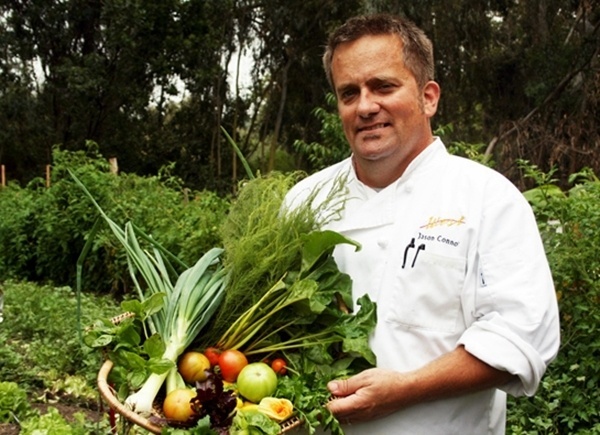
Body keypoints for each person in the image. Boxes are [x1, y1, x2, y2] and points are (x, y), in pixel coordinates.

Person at [284, 13, 560, 434]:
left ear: (428, 97)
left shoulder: (487, 197)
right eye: (348, 93)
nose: (365, 106)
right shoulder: (303, 202)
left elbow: (520, 336)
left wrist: (405, 389)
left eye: (383, 86)